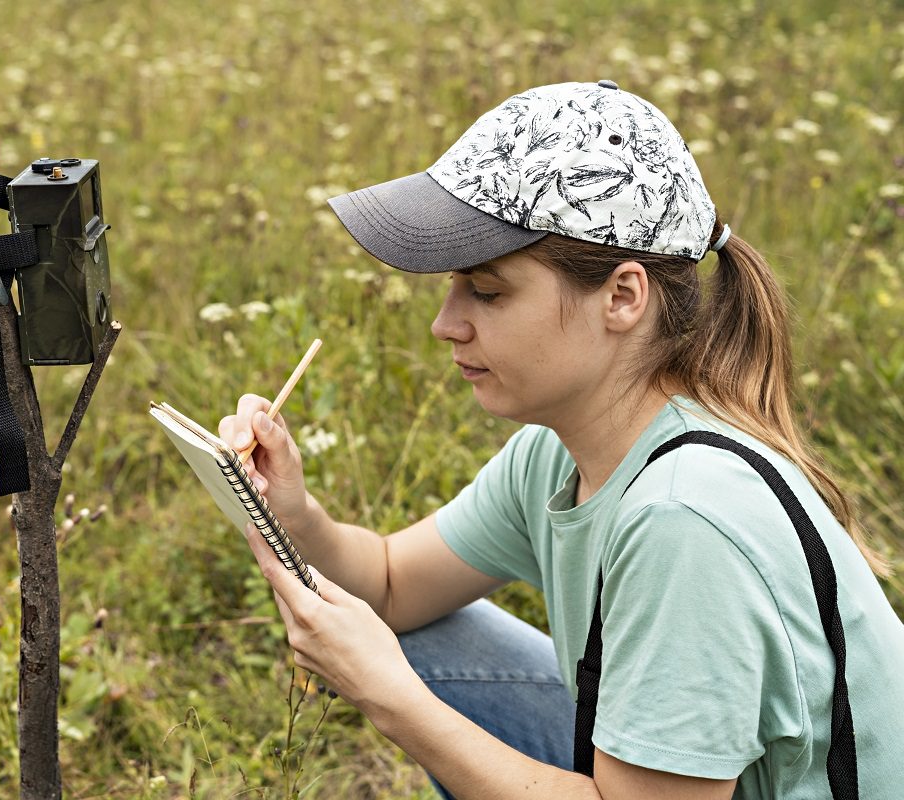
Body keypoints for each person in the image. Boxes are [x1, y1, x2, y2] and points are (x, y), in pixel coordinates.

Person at [219, 80, 904, 799]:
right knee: (411, 639)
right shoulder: (565, 449)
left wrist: (392, 699)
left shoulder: (683, 518)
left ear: (622, 297)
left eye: (487, 291)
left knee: (398, 668)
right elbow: (389, 585)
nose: (445, 324)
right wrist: (292, 511)